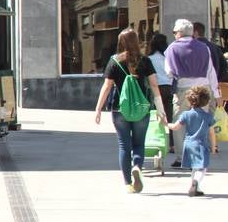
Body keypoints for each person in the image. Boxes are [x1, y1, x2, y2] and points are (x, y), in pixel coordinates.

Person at [94, 26, 167, 194]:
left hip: (120, 109)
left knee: (124, 145)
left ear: (120, 42)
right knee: (139, 144)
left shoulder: (114, 61)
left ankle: (128, 183)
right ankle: (137, 167)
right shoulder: (145, 61)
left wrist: (98, 109)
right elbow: (155, 86)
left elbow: (106, 86)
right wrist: (161, 111)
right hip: (142, 109)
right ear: (136, 42)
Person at [165, 18, 220, 165]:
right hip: (204, 87)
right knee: (200, 123)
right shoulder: (204, 47)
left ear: (180, 33)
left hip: (183, 87)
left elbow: (169, 72)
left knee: (179, 121)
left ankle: (181, 157)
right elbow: (211, 72)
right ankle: (198, 155)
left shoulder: (172, 48)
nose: (174, 34)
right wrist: (216, 93)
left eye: (175, 32)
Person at [167, 84, 216, 196]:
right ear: (206, 100)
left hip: (188, 144)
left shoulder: (186, 114)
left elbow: (175, 127)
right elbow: (212, 133)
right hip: (201, 145)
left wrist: (165, 124)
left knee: (194, 167)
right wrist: (213, 147)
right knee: (202, 168)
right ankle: (196, 182)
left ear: (190, 100)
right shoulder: (208, 116)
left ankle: (194, 188)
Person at [194, 21, 228, 102]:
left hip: (196, 87)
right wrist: (217, 82)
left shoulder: (192, 48)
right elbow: (224, 67)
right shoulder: (215, 48)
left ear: (195, 32)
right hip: (213, 87)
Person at [148, 32, 173, 121]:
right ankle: (171, 133)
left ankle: (158, 132)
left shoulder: (150, 58)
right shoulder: (169, 57)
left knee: (157, 114)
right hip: (169, 87)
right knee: (170, 114)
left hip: (156, 88)